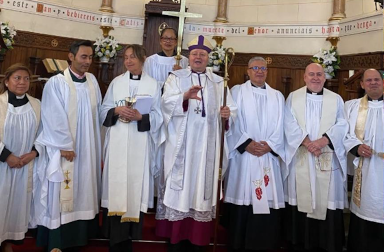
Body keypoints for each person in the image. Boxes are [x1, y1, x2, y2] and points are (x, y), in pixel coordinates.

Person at [156, 35, 237, 251]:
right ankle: (176, 240)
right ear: (188, 57)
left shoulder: (220, 82)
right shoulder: (176, 77)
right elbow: (164, 102)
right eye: (194, 54)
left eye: (202, 54)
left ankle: (198, 242)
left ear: (208, 58)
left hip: (207, 147)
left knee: (202, 186)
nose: (198, 57)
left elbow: (232, 110)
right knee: (180, 189)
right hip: (182, 143)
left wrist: (227, 114)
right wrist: (184, 96)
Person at [32, 40, 102, 252]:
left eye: (90, 57)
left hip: (87, 148)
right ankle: (57, 240)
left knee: (84, 188)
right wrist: (64, 146)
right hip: (64, 150)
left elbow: (97, 116)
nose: (88, 62)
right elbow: (53, 116)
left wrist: (98, 147)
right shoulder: (57, 82)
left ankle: (80, 237)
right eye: (83, 57)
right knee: (63, 189)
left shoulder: (92, 81)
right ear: (71, 57)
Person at [100, 44, 163, 252]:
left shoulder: (154, 85)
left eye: (133, 57)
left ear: (142, 58)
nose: (128, 61)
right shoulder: (116, 83)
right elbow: (103, 111)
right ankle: (114, 239)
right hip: (118, 142)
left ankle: (130, 236)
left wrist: (140, 116)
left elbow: (160, 115)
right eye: (126, 57)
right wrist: (116, 110)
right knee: (117, 185)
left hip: (140, 143)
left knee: (134, 186)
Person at [283, 63, 348, 252]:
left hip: (325, 154)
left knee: (325, 197)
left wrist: (323, 141)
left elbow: (342, 124)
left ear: (324, 78)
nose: (315, 78)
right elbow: (288, 123)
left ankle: (326, 243)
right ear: (304, 77)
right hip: (302, 154)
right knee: (301, 197)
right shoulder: (293, 97)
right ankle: (299, 242)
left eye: (319, 74)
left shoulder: (335, 99)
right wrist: (306, 142)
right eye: (311, 74)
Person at [224, 57, 285, 252]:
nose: (259, 71)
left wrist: (270, 145)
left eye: (263, 68)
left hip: (267, 155)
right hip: (244, 157)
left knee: (267, 199)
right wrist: (246, 143)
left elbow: (283, 126)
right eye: (255, 68)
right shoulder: (236, 92)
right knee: (243, 200)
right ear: (248, 71)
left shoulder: (277, 96)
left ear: (267, 71)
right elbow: (231, 122)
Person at [0, 64, 41, 252]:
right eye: (17, 78)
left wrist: (33, 153)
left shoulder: (36, 105)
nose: (22, 82)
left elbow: (44, 134)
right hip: (2, 165)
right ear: (7, 81)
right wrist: (6, 156)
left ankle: (8, 243)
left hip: (24, 166)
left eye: (26, 78)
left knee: (16, 207)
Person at [344, 69, 384, 252]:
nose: (373, 83)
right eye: (369, 80)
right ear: (362, 84)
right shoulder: (351, 107)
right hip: (365, 167)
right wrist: (356, 147)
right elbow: (343, 134)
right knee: (365, 207)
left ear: (383, 83)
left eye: (377, 79)